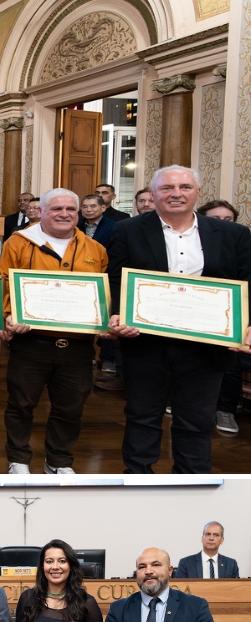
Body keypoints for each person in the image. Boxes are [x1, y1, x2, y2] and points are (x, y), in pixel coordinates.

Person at [107, 165, 251, 473]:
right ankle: (137, 480)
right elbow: (117, 279)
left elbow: (245, 284)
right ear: (154, 193)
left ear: (198, 192)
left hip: (206, 347)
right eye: (167, 188)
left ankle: (191, 484)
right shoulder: (129, 230)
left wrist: (246, 327)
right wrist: (118, 314)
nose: (176, 194)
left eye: (185, 187)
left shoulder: (233, 234)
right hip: (145, 342)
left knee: (197, 421)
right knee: (142, 416)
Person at [0, 188, 108, 475]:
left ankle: (58, 461)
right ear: (42, 212)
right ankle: (18, 460)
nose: (64, 214)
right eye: (56, 209)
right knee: (21, 403)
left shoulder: (95, 250)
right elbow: (5, 284)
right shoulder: (19, 242)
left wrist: (106, 320)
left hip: (78, 346)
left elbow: (104, 295)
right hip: (31, 342)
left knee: (71, 407)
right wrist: (10, 315)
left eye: (70, 209)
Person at [197, 200, 251, 436]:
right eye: (214, 219)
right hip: (191, 313)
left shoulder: (241, 241)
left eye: (227, 219)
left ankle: (225, 409)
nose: (220, 224)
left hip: (226, 316)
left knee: (228, 365)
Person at [175, 520, 239, 578]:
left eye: (216, 535)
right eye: (208, 534)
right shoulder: (186, 563)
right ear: (202, 539)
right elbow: (179, 589)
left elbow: (235, 589)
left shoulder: (231, 564)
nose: (211, 538)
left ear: (222, 540)